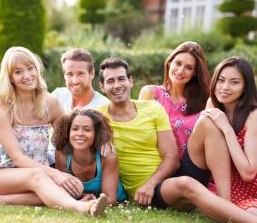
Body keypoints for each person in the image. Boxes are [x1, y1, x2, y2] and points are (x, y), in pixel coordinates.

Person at [0, 46, 108, 217]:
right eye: (18, 72)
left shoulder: (50, 103)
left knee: (71, 186)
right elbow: (17, 158)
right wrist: (56, 174)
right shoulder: (0, 108)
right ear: (10, 77)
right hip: (2, 172)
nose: (27, 75)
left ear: (37, 69)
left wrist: (104, 139)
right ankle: (83, 207)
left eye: (30, 68)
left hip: (40, 170)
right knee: (41, 178)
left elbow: (70, 139)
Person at [150, 57, 257, 222]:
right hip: (228, 188)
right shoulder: (213, 105)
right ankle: (225, 204)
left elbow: (248, 172)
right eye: (221, 80)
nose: (225, 88)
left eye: (235, 82)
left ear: (245, 87)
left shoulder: (253, 115)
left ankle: (225, 205)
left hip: (249, 188)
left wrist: (226, 128)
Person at [97, 57, 180, 206]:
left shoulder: (153, 108)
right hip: (140, 193)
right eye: (110, 81)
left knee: (185, 183)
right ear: (102, 87)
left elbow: (172, 157)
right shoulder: (98, 119)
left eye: (121, 79)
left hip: (163, 181)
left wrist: (151, 183)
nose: (117, 85)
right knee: (186, 184)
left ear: (131, 81)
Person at [139, 41, 210, 158]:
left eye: (189, 67)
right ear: (169, 63)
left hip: (192, 166)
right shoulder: (150, 93)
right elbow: (140, 132)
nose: (181, 71)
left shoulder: (204, 100)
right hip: (158, 163)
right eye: (178, 63)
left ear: (195, 73)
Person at [48, 48, 110, 165]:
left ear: (92, 74)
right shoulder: (57, 95)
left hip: (80, 165)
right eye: (70, 74)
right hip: (49, 158)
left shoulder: (103, 106)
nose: (74, 80)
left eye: (80, 74)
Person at [54, 109, 127, 205]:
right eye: (75, 129)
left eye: (87, 130)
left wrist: (86, 203)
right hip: (82, 199)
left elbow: (110, 198)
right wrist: (83, 197)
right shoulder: (61, 153)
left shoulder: (108, 155)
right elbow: (64, 190)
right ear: (68, 132)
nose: (80, 134)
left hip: (115, 201)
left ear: (97, 134)